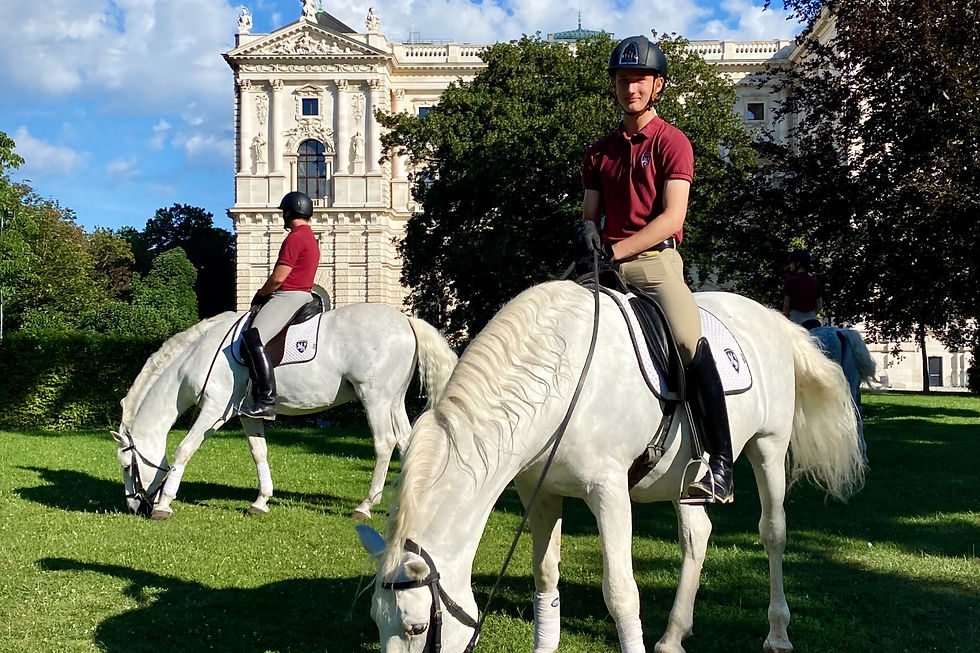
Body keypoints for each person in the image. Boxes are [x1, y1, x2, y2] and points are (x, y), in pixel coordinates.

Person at [575, 35, 733, 503]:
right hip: (607, 265)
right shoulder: (599, 152)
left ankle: (720, 465)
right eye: (623, 80)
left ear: (657, 86)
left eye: (640, 80)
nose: (631, 89)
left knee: (687, 339)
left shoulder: (673, 142)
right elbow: (590, 214)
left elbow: (672, 218)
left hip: (654, 263)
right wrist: (586, 235)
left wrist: (616, 249)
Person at [240, 191, 320, 420]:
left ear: (288, 212)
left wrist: (260, 294)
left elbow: (278, 278)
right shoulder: (310, 237)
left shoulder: (295, 238)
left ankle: (265, 401)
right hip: (305, 294)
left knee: (253, 338)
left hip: (289, 296)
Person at [782, 249, 822, 328]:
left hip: (796, 321)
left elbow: (786, 306)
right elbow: (819, 305)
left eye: (791, 263)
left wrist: (784, 319)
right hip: (813, 321)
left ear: (798, 263)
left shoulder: (790, 281)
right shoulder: (815, 282)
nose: (790, 266)